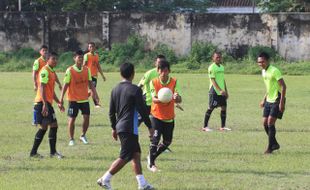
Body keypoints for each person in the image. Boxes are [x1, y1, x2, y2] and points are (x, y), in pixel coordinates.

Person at [97, 63, 154, 190]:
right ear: (133, 74)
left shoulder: (115, 89)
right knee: (125, 156)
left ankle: (142, 183)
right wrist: (150, 126)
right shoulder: (135, 89)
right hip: (129, 127)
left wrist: (114, 128)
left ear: (120, 74)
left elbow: (111, 112)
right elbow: (142, 110)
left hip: (121, 126)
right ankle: (105, 179)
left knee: (136, 154)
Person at [147, 60, 182, 172]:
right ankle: (151, 164)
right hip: (156, 115)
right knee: (155, 139)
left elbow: (179, 99)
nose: (163, 73)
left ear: (169, 71)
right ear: (158, 71)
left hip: (169, 117)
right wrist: (164, 98)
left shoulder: (174, 82)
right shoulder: (154, 82)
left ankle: (151, 157)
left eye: (165, 70)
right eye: (161, 70)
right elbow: (154, 99)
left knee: (167, 142)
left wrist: (177, 98)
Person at [60, 50, 99, 146]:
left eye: (82, 57)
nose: (81, 59)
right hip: (73, 99)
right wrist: (61, 99)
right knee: (72, 119)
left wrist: (96, 94)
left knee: (86, 118)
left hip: (84, 99)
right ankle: (71, 139)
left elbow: (90, 83)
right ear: (74, 58)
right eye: (79, 57)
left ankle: (83, 135)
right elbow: (65, 85)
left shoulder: (86, 70)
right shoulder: (70, 70)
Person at [30, 52, 64, 159]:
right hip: (42, 103)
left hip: (46, 103)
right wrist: (44, 104)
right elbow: (42, 87)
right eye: (53, 59)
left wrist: (58, 102)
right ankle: (49, 152)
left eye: (56, 59)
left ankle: (36, 153)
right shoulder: (45, 71)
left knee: (46, 127)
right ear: (48, 60)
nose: (55, 61)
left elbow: (50, 90)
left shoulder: (52, 72)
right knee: (51, 126)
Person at [257, 52, 286, 154]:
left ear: (267, 60)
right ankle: (275, 144)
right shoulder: (263, 72)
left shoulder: (274, 71)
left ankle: (270, 148)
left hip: (277, 100)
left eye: (263, 61)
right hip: (269, 100)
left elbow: (283, 86)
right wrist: (264, 99)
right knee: (264, 123)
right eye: (259, 62)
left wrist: (281, 103)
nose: (261, 64)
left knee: (270, 122)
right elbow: (269, 87)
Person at [32, 45, 62, 125]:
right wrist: (35, 83)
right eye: (43, 50)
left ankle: (38, 119)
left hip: (47, 83)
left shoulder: (49, 65)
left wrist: (58, 83)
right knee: (39, 101)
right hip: (42, 83)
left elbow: (54, 74)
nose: (45, 52)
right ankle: (35, 119)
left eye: (46, 50)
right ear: (40, 52)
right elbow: (34, 73)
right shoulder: (38, 61)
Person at [202, 52, 231, 132]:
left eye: (220, 57)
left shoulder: (222, 67)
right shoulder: (211, 67)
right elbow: (213, 80)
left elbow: (223, 80)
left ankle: (223, 126)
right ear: (213, 58)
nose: (218, 59)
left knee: (224, 107)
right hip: (214, 91)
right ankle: (205, 126)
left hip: (222, 92)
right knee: (211, 107)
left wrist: (226, 91)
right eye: (217, 57)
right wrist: (220, 90)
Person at [137, 55, 166, 124]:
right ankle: (131, 132)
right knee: (140, 118)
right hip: (148, 100)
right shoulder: (150, 73)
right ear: (155, 63)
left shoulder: (165, 74)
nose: (161, 64)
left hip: (159, 101)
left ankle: (154, 133)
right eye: (159, 62)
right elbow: (139, 86)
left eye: (163, 62)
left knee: (158, 120)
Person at [83, 42, 106, 107]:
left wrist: (102, 75)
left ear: (95, 47)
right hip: (88, 75)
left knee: (91, 90)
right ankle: (96, 104)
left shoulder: (96, 56)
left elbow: (98, 66)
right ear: (88, 48)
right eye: (90, 47)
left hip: (94, 75)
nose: (91, 48)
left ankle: (82, 98)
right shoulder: (86, 55)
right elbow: (84, 65)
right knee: (93, 90)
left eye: (93, 46)